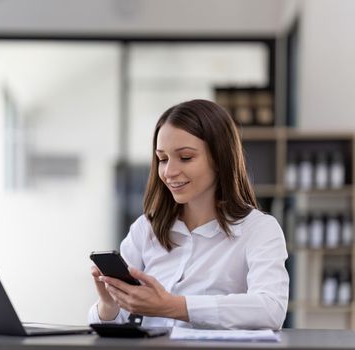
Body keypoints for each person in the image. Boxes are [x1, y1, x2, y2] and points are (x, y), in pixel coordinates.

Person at [88, 99, 289, 330]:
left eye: (185, 158)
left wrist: (173, 306)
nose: (170, 172)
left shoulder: (259, 229)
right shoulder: (146, 229)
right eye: (163, 159)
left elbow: (270, 309)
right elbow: (113, 323)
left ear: (219, 158)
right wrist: (109, 304)